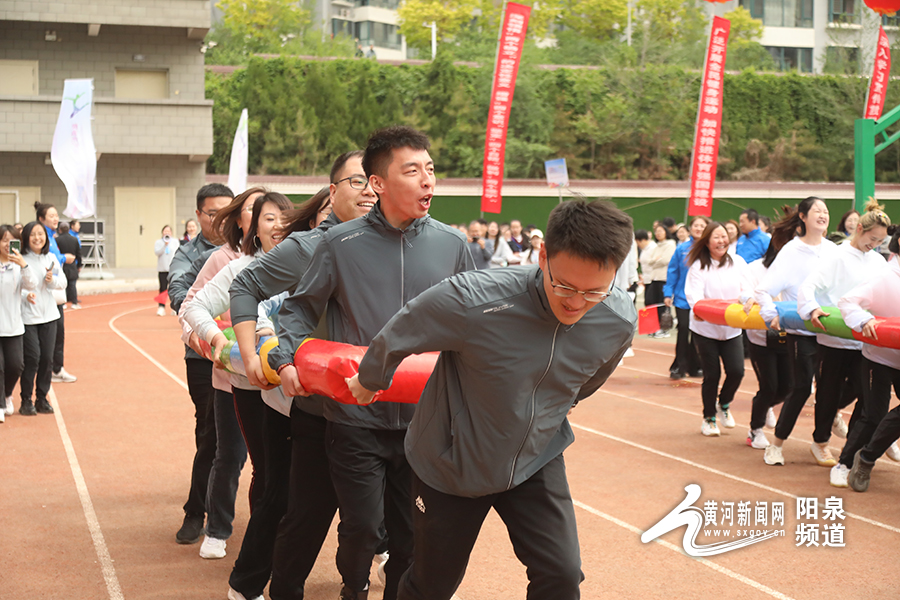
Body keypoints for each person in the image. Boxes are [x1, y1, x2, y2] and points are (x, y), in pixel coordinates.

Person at [346, 199, 636, 600]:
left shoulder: (618, 318)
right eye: (564, 286)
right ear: (543, 255)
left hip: (536, 457)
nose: (575, 303)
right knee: (433, 585)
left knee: (562, 576)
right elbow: (403, 328)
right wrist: (370, 377)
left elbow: (590, 378)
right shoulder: (475, 299)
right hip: (453, 464)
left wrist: (552, 408)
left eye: (593, 292)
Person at [268, 126, 473, 600]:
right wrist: (286, 359)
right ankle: (352, 590)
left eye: (431, 169)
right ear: (378, 183)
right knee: (362, 529)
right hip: (355, 417)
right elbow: (297, 310)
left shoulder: (452, 245)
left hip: (424, 422)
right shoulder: (339, 244)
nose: (427, 180)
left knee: (410, 541)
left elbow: (473, 323)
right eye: (412, 170)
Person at [229, 153, 376, 600]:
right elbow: (245, 287)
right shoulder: (311, 247)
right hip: (317, 408)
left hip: (388, 412)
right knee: (296, 512)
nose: (369, 190)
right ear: (333, 192)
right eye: (357, 180)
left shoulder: (405, 245)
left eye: (375, 180)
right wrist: (253, 355)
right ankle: (252, 584)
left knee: (378, 525)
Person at [182, 191, 294, 598]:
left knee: (299, 482)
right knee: (267, 475)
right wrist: (223, 347)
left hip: (303, 391)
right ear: (252, 228)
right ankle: (248, 568)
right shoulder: (239, 269)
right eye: (269, 219)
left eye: (286, 217)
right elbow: (192, 309)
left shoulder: (313, 266)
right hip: (253, 389)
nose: (278, 225)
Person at [180, 188, 268, 560]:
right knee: (225, 452)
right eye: (257, 210)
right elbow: (190, 307)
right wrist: (214, 342)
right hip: (228, 374)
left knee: (270, 462)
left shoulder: (295, 259)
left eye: (279, 213)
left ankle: (265, 525)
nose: (271, 219)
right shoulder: (224, 260)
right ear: (242, 220)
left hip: (277, 379)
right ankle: (212, 525)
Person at [798, 202, 891, 485]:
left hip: (864, 340)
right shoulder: (837, 257)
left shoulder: (877, 260)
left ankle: (852, 451)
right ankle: (820, 440)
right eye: (871, 239)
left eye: (880, 242)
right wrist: (812, 308)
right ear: (859, 229)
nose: (874, 246)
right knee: (828, 393)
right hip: (835, 338)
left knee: (865, 398)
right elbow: (808, 287)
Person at [167, 183, 233, 546]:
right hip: (203, 354)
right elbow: (180, 292)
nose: (221, 219)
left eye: (228, 211)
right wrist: (206, 313)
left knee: (225, 437)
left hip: (244, 353)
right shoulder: (188, 255)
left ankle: (214, 494)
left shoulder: (246, 248)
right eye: (213, 213)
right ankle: (197, 510)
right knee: (211, 432)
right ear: (198, 215)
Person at [755, 197, 836, 466]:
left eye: (826, 211)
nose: (823, 215)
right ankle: (776, 444)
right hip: (802, 331)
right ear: (802, 216)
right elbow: (764, 289)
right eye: (817, 211)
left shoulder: (833, 250)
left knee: (829, 390)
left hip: (833, 331)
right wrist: (771, 314)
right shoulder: (791, 251)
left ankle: (821, 443)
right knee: (801, 388)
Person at [841, 227, 900, 492]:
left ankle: (866, 456)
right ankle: (851, 462)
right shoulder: (884, 277)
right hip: (880, 358)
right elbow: (847, 302)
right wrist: (865, 319)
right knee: (873, 415)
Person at [684, 222, 749, 436]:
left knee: (737, 371)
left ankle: (724, 404)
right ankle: (709, 418)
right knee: (712, 374)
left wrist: (748, 300)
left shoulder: (738, 263)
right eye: (716, 237)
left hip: (731, 328)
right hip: (706, 329)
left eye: (724, 236)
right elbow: (694, 295)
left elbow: (747, 288)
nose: (722, 241)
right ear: (707, 242)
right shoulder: (698, 267)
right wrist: (700, 310)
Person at [18, 221, 66, 416]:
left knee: (47, 359)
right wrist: (24, 296)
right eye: (33, 235)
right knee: (32, 358)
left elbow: (62, 282)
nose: (37, 238)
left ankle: (41, 398)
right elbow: (14, 287)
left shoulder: (51, 257)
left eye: (41, 234)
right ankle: (26, 399)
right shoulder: (19, 258)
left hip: (49, 316)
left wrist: (51, 280)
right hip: (28, 317)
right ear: (26, 238)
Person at [743, 255, 788, 450]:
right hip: (761, 338)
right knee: (768, 385)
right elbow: (743, 292)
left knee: (789, 387)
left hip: (788, 335)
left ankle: (768, 404)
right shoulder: (755, 268)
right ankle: (755, 429)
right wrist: (749, 298)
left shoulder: (795, 266)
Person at [34, 202, 77, 384]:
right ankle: (53, 369)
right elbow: (46, 260)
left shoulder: (52, 236)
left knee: (57, 333)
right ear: (41, 219)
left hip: (54, 292)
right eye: (51, 216)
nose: (56, 218)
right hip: (46, 295)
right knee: (53, 335)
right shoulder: (44, 237)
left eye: (56, 215)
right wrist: (63, 258)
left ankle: (55, 368)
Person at [0, 225, 38, 422]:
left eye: (12, 240)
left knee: (16, 365)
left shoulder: (18, 266)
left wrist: (23, 264)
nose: (8, 244)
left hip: (13, 325)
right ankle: (0, 404)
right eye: (4, 240)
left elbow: (31, 284)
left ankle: (7, 394)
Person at [663, 216, 708, 379]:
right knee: (683, 329)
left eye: (702, 226)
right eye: (696, 225)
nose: (698, 228)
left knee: (698, 333)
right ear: (690, 228)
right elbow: (673, 270)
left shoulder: (709, 248)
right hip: (683, 298)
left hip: (703, 299)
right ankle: (679, 366)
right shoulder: (681, 248)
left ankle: (695, 366)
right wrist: (668, 293)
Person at [644, 223, 676, 338]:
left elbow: (666, 260)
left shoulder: (670, 244)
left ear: (666, 232)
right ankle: (654, 327)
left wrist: (655, 261)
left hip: (664, 278)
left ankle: (664, 329)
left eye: (661, 231)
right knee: (650, 301)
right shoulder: (657, 246)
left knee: (662, 303)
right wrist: (656, 260)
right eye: (656, 231)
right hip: (654, 278)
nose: (658, 233)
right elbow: (649, 261)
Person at [155, 225, 180, 316]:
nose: (167, 233)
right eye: (165, 231)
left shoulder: (175, 241)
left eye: (168, 231)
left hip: (172, 269)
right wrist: (164, 245)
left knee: (174, 288)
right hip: (162, 269)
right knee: (163, 288)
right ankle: (161, 307)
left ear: (171, 233)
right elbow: (157, 252)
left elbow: (177, 252)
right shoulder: (158, 242)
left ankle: (174, 307)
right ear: (162, 233)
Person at [56, 222, 82, 309]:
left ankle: (63, 303)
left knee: (62, 284)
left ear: (60, 230)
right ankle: (74, 302)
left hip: (62, 264)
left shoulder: (57, 240)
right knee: (72, 284)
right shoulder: (74, 239)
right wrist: (79, 265)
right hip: (72, 263)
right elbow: (79, 253)